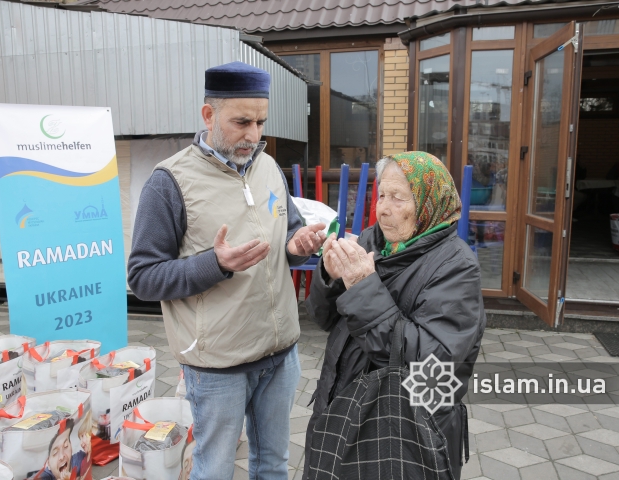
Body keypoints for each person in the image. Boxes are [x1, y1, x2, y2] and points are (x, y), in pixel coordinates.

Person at [127, 61, 326, 480]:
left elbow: (287, 233)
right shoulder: (170, 182)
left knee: (273, 465)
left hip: (281, 353)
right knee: (214, 469)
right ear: (208, 115)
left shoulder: (268, 167)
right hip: (217, 365)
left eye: (260, 121)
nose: (253, 135)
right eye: (241, 122)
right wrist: (213, 264)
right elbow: (142, 277)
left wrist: (297, 245)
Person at [303, 152, 486, 479]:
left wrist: (361, 284)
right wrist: (330, 277)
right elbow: (324, 319)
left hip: (407, 431)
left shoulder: (456, 267)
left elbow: (430, 364)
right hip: (342, 408)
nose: (383, 208)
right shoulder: (373, 240)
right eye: (382, 195)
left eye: (398, 198)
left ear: (430, 204)